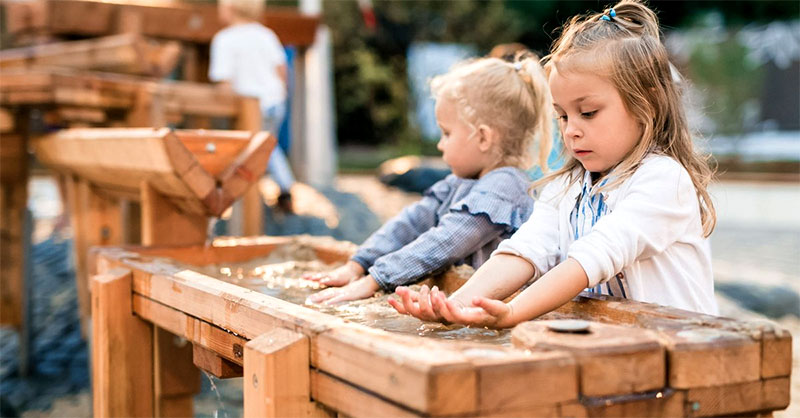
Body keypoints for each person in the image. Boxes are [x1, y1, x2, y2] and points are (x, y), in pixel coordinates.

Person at [390, 0, 719, 327]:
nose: (571, 129)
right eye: (561, 115)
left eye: (587, 112)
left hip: (687, 355)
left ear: (645, 102)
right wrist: (457, 305)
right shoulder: (568, 187)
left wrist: (515, 311)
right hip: (622, 350)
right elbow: (525, 249)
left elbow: (594, 256)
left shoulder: (663, 179)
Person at [305, 55, 554, 304]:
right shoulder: (461, 182)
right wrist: (358, 265)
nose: (440, 144)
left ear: (483, 138)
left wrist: (376, 279)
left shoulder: (505, 188)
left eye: (446, 133)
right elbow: (411, 223)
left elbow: (446, 241)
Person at [209, 0, 295, 211]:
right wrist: (283, 92)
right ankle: (284, 188)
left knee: (251, 150)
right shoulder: (266, 35)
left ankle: (246, 200)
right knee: (267, 146)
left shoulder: (225, 39)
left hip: (250, 105)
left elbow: (224, 80)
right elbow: (282, 68)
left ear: (229, 9)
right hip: (274, 100)